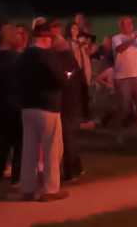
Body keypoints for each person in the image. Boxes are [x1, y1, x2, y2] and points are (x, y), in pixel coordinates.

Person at [16, 22, 68, 202]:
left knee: (29, 148)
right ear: (46, 39)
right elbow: (59, 78)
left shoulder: (23, 56)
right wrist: (65, 79)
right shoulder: (47, 56)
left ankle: (27, 188)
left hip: (27, 106)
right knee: (51, 148)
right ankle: (50, 189)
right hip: (47, 106)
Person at [0, 22, 23, 184]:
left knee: (3, 144)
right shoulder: (18, 60)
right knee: (19, 144)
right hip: (15, 107)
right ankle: (16, 178)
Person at [52, 23, 87, 182]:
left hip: (65, 103)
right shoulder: (71, 60)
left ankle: (70, 171)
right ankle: (76, 168)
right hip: (73, 102)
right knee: (70, 137)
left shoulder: (60, 60)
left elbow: (63, 80)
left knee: (67, 138)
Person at [110, 16, 137, 139]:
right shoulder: (117, 38)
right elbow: (120, 49)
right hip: (123, 77)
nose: (129, 26)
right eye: (126, 24)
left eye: (130, 24)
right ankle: (119, 133)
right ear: (121, 26)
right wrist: (134, 38)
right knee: (124, 107)